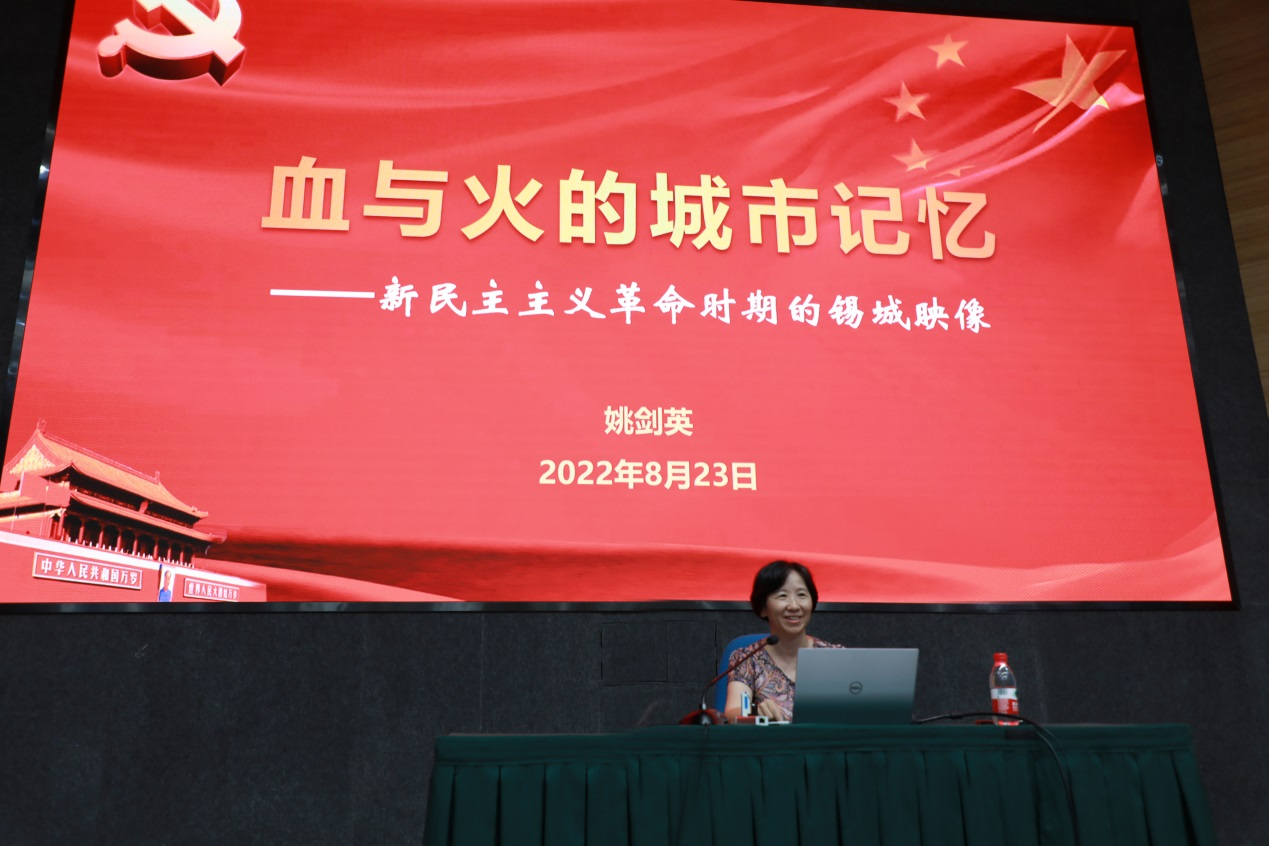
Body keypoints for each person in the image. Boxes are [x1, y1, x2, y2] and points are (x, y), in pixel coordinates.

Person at [724, 560, 842, 722]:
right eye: (782, 596)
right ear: (763, 608)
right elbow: (732, 713)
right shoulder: (747, 659)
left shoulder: (836, 657)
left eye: (801, 595)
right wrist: (755, 712)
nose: (794, 606)